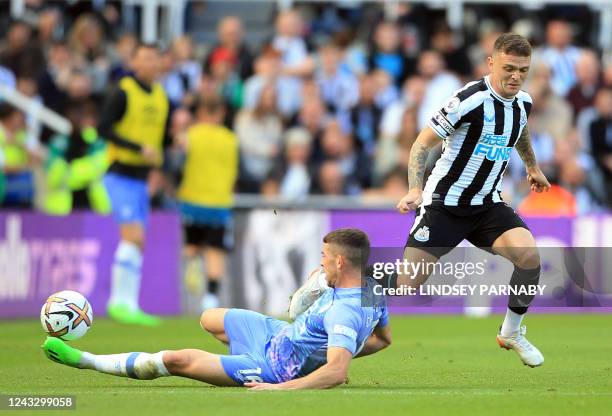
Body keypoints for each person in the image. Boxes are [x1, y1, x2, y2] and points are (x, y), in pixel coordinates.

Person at [42, 228, 391, 389]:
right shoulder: (371, 290)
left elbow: (337, 372)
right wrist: (333, 349)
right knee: (210, 319)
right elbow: (383, 340)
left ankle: (84, 359)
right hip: (277, 334)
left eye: (325, 258)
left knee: (177, 360)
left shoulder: (345, 311)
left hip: (274, 368)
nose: (321, 263)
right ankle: (234, 358)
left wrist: (283, 386)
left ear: (341, 261)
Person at [394, 33, 550, 367]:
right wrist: (413, 188)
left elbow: (520, 131)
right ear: (491, 63)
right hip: (445, 204)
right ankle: (329, 280)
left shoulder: (523, 102)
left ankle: (511, 332)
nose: (516, 77)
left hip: (487, 204)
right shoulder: (469, 99)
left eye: (523, 70)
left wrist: (532, 166)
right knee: (408, 283)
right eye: (509, 68)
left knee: (529, 257)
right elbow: (422, 144)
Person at [98, 43, 171, 326]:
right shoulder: (123, 91)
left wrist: (160, 164)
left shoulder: (162, 97)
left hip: (143, 178)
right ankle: (119, 303)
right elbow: (103, 128)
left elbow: (160, 140)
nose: (151, 64)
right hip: (120, 174)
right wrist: (136, 147)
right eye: (145, 59)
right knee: (133, 237)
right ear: (135, 63)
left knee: (138, 243)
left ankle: (129, 303)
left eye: (155, 58)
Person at [177, 97, 238, 311]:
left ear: (201, 113)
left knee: (192, 245)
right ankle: (211, 297)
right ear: (220, 114)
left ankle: (193, 263)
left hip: (192, 200)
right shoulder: (230, 139)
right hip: (219, 203)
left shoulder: (191, 135)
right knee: (215, 251)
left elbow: (178, 158)